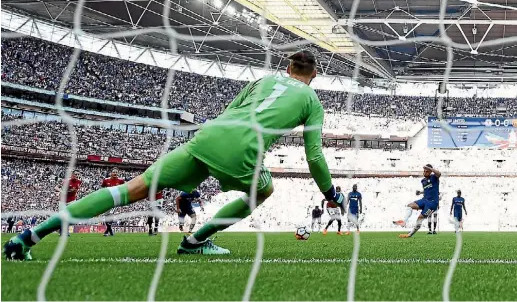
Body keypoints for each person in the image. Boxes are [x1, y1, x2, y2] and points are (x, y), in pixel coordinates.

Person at [4, 50, 337, 259]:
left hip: (207, 137)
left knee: (129, 190)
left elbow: (228, 111)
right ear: (314, 76)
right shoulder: (312, 101)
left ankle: (29, 237)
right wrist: (329, 193)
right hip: (242, 150)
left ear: (287, 67)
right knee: (263, 190)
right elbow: (315, 156)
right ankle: (196, 241)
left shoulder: (263, 80)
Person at [393, 164, 441, 238]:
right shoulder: (423, 181)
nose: (424, 172)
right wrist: (420, 192)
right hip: (424, 200)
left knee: (420, 218)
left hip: (433, 203)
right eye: (424, 171)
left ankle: (409, 234)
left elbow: (439, 174)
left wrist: (429, 168)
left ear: (431, 172)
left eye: (427, 171)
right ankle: (404, 222)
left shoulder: (434, 177)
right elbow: (428, 190)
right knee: (409, 205)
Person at [54, 171, 81, 237]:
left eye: (78, 174)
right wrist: (62, 191)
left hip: (72, 200)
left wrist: (74, 193)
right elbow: (56, 187)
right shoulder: (66, 181)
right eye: (75, 174)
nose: (76, 175)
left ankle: (66, 231)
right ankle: (61, 231)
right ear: (72, 175)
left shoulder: (79, 181)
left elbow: (76, 189)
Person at [100, 169, 125, 237]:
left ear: (118, 173)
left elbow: (124, 189)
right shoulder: (106, 180)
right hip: (107, 199)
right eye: (114, 172)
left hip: (115, 200)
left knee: (111, 215)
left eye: (116, 172)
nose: (115, 173)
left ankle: (107, 231)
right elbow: (102, 188)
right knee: (106, 216)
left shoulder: (121, 181)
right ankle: (110, 230)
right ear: (111, 173)